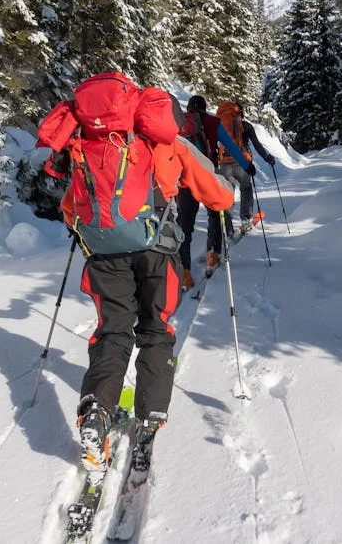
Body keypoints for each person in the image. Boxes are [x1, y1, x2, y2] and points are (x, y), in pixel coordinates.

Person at [48, 80, 236, 479]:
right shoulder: (164, 142)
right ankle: (149, 417)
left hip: (103, 256)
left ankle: (97, 413)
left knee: (112, 332)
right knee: (155, 331)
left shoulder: (90, 143)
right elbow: (218, 195)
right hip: (156, 254)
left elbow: (71, 208)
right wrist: (223, 198)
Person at [176, 95, 253, 283]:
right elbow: (233, 147)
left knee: (184, 225)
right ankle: (213, 255)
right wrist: (247, 165)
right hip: (208, 177)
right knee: (215, 215)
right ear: (204, 107)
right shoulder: (212, 122)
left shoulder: (179, 124)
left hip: (185, 179)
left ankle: (184, 272)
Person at [215, 101, 276, 235]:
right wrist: (267, 158)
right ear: (241, 113)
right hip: (242, 164)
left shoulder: (221, 125)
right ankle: (245, 221)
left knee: (228, 193)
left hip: (224, 164)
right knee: (246, 189)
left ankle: (228, 226)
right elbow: (257, 145)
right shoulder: (246, 126)